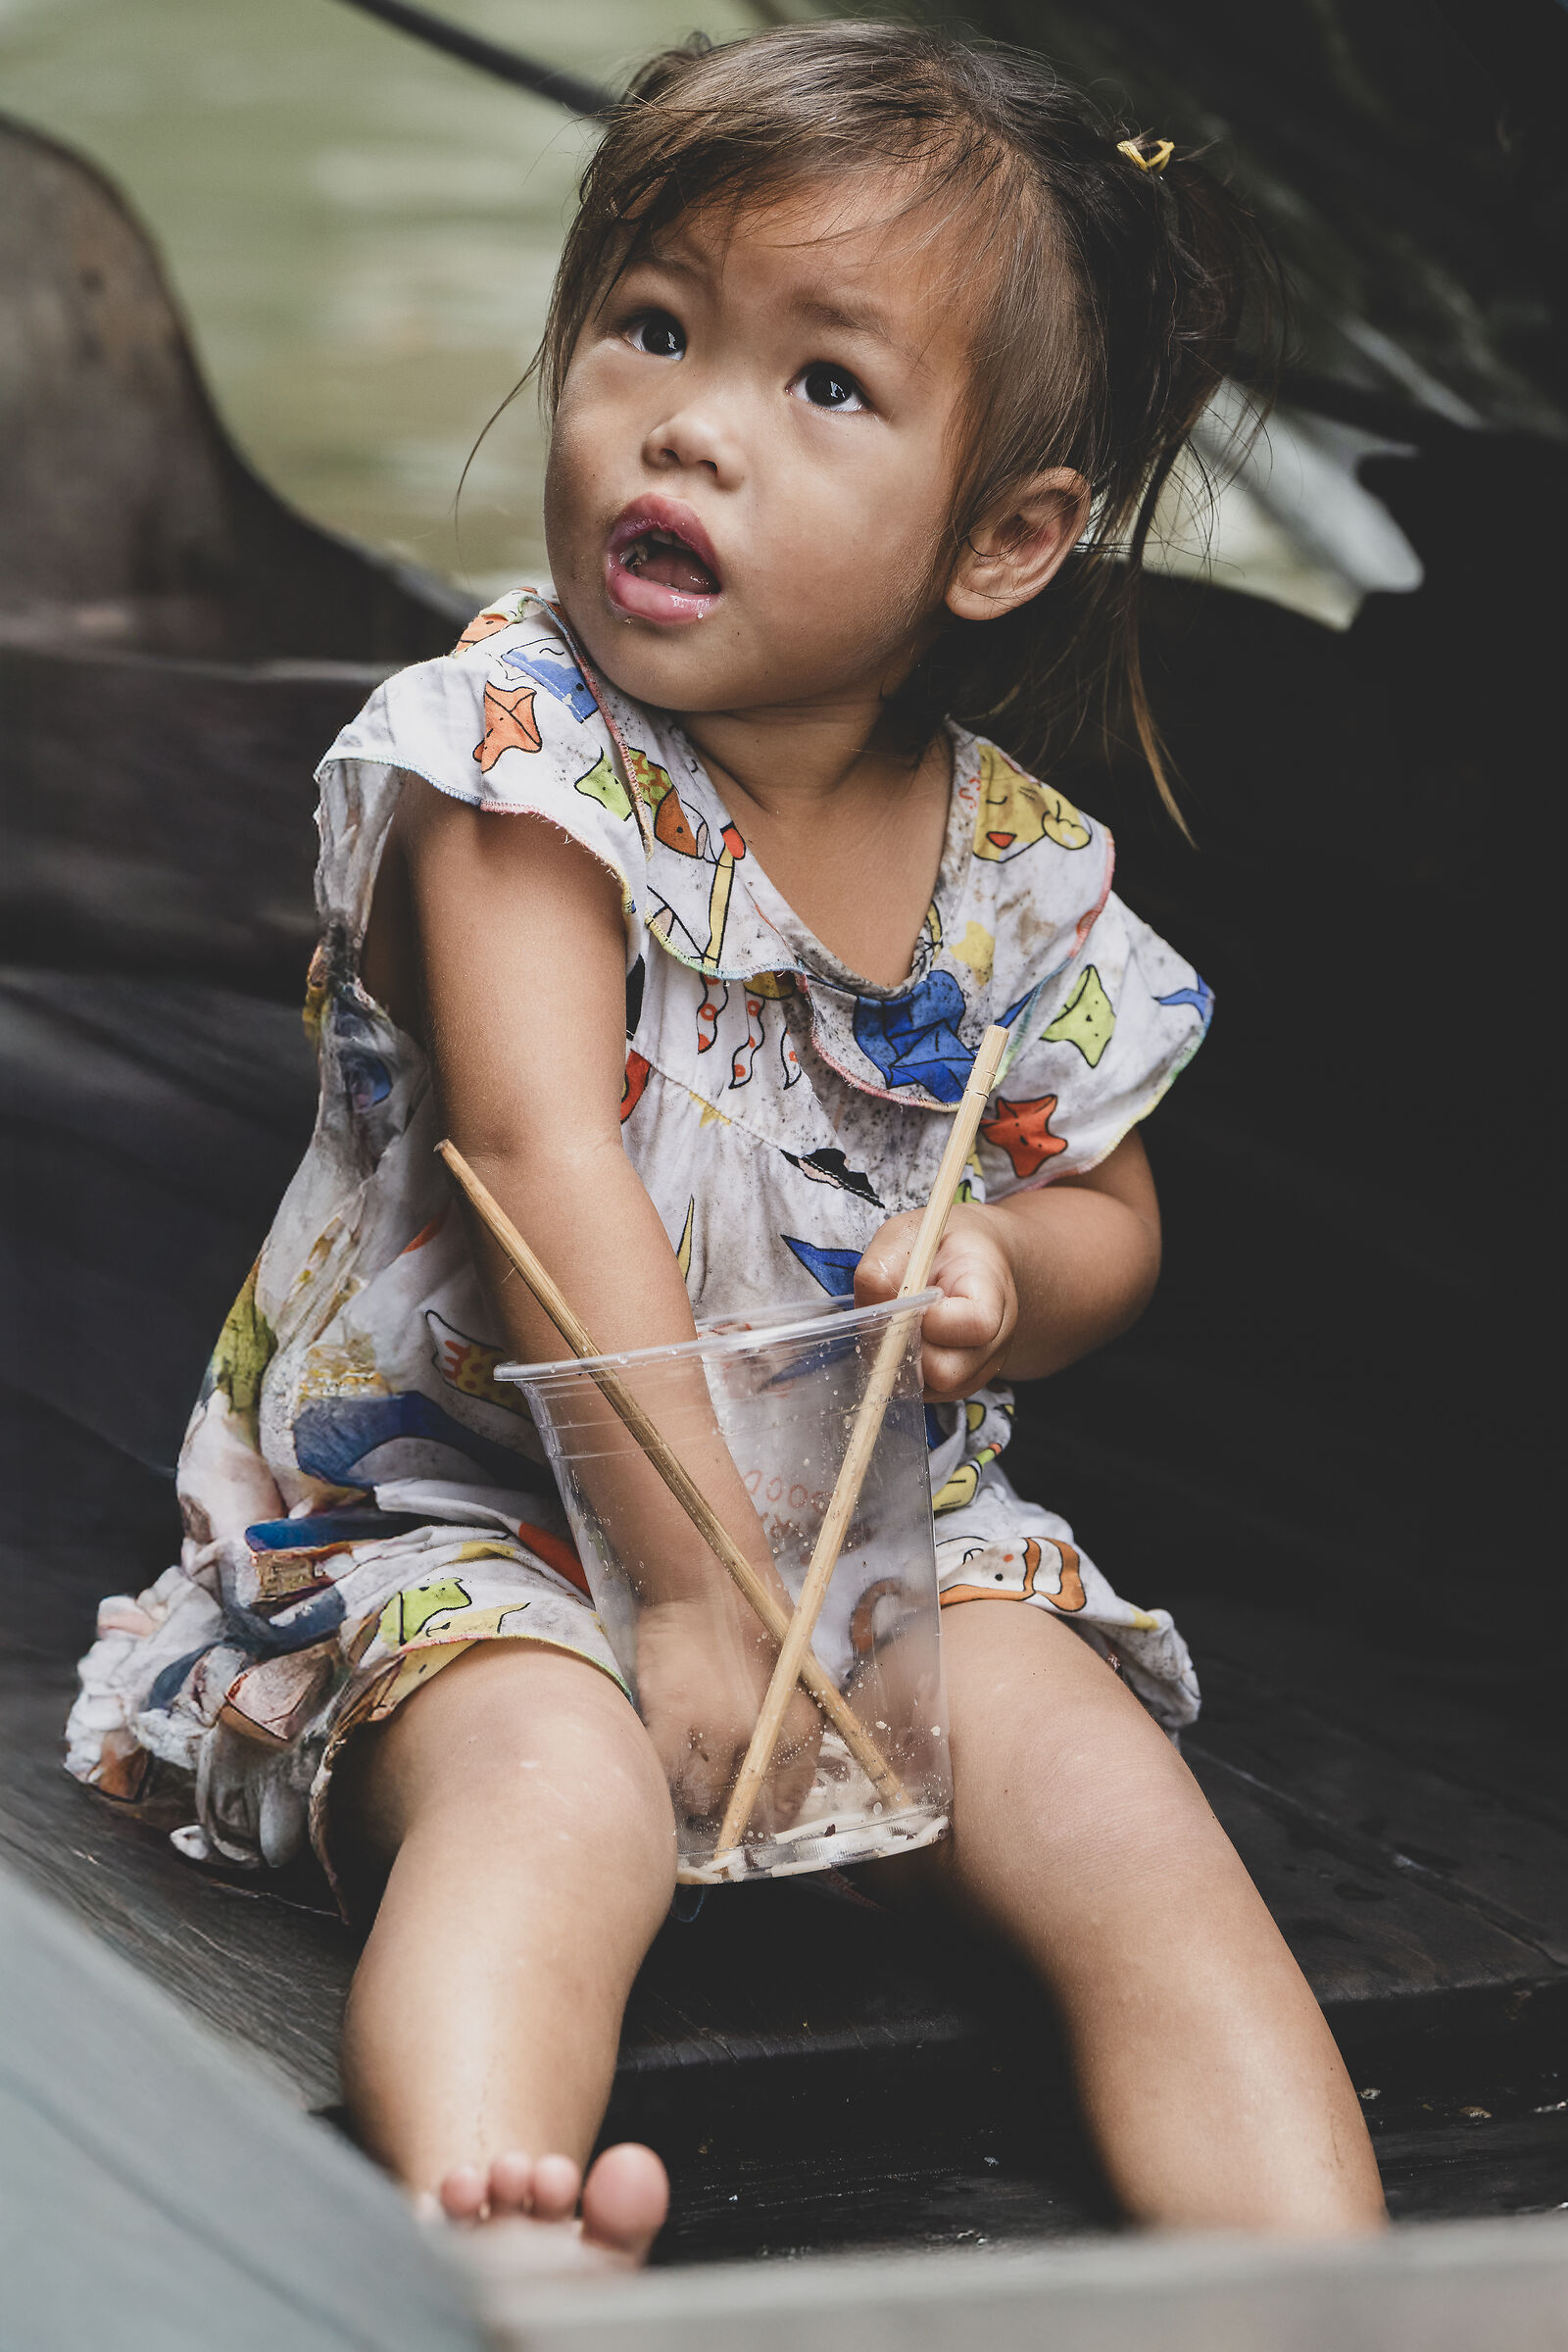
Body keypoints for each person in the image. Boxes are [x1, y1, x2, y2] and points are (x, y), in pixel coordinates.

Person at [67, 21, 1386, 2262]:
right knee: (542, 1795)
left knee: (1127, 1824)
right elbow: (529, 1154)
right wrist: (685, 1599)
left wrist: (1005, 1273)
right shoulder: (514, 764)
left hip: (879, 1526)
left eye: (824, 386)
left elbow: (1107, 1209)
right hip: (468, 1532)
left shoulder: (1013, 869)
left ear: (1003, 541)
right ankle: (489, 2229)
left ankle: (1328, 2288)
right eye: (651, 328)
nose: (686, 417)